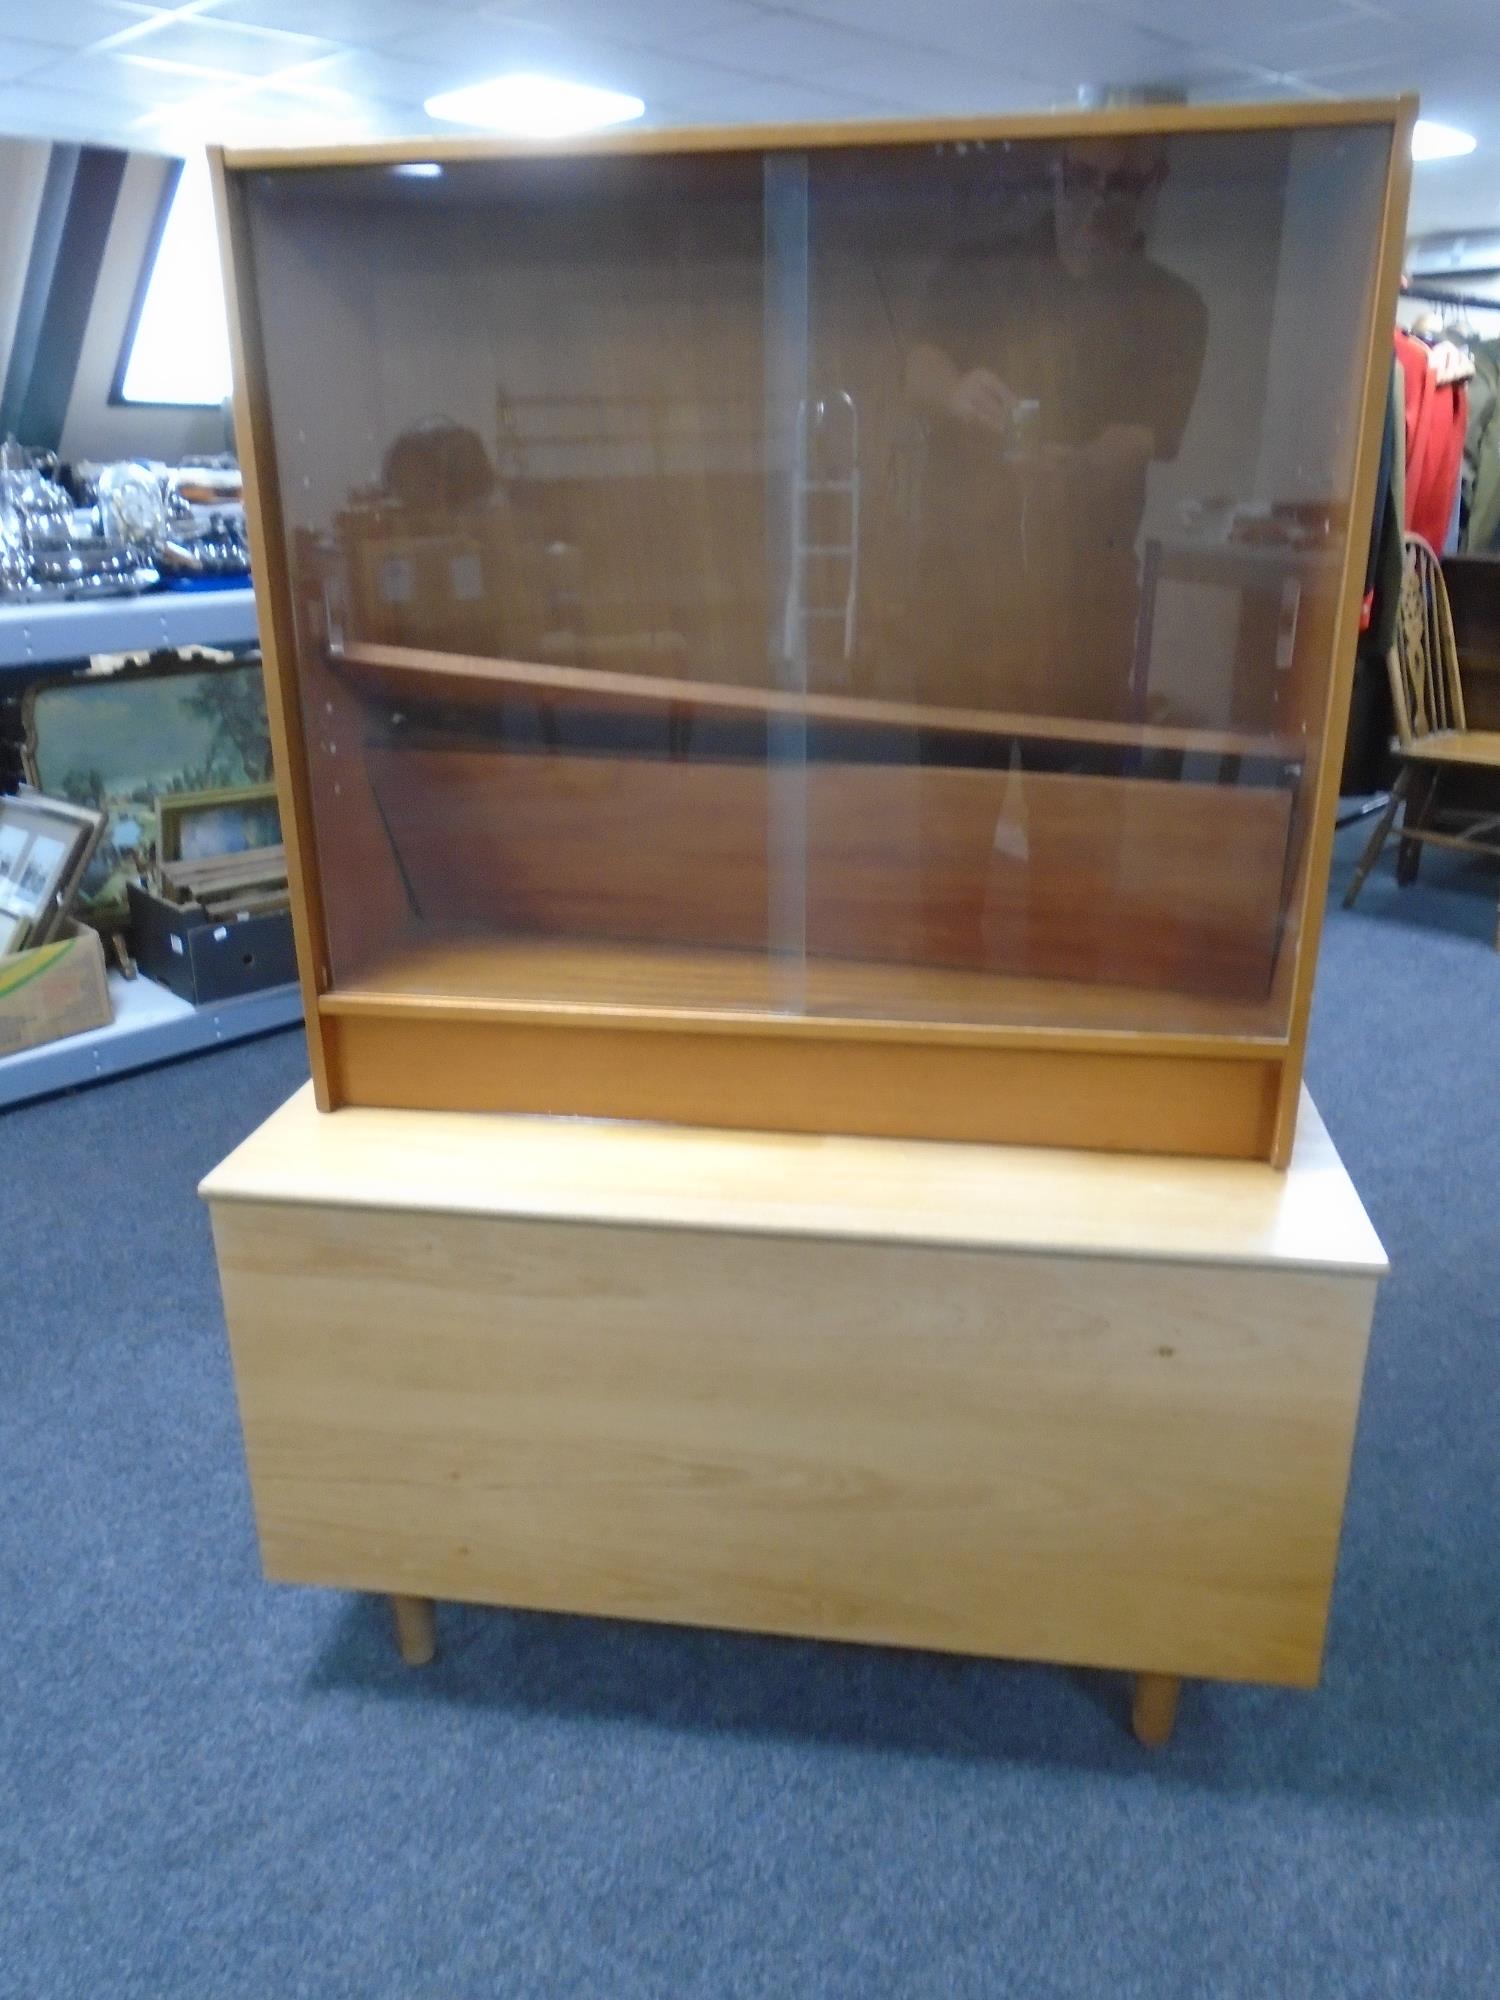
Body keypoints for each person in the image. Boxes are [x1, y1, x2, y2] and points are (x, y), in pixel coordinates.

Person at [903, 136, 1207, 721]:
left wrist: (1077, 469)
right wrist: (955, 392)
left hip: (1084, 603)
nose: (1098, 200)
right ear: (1057, 169)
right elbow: (916, 366)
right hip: (963, 597)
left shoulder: (1175, 307)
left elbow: (1146, 437)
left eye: (1122, 184)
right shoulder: (976, 268)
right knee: (954, 802)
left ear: (1156, 182)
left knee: (1075, 804)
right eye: (1083, 176)